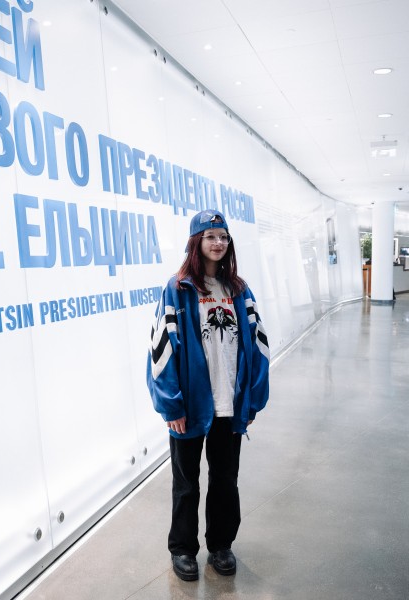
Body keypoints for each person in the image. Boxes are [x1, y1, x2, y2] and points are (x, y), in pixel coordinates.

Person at [146, 209, 270, 581]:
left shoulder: (239, 290)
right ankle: (183, 549)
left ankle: (221, 546)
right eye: (211, 236)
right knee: (186, 484)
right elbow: (161, 350)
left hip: (229, 406)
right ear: (196, 242)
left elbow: (258, 346)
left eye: (223, 236)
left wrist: (251, 399)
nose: (218, 243)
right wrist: (171, 405)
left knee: (225, 480)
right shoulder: (178, 288)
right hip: (191, 406)